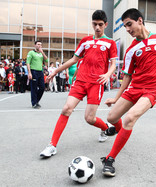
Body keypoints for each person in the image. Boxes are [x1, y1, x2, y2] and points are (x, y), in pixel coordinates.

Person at [100, 8, 156, 177]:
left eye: (129, 24)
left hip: (153, 88)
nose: (127, 29)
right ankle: (119, 132)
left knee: (130, 118)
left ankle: (110, 159)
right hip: (135, 87)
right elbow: (127, 76)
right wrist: (116, 98)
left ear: (140, 20)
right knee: (111, 118)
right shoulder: (132, 49)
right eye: (125, 26)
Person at [40, 10, 118, 158]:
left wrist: (108, 74)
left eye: (100, 25)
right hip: (80, 81)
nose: (97, 28)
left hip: (96, 82)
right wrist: (55, 71)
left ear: (106, 25)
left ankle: (105, 128)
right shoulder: (85, 41)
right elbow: (73, 60)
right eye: (95, 24)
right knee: (66, 109)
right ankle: (52, 145)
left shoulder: (110, 43)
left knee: (89, 119)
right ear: (92, 24)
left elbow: (113, 63)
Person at [26, 41, 48, 108]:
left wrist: (42, 52)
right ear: (35, 45)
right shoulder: (31, 53)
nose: (39, 45)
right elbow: (28, 63)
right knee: (34, 88)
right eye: (38, 44)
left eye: (41, 44)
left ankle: (36, 101)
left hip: (40, 72)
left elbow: (46, 60)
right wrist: (29, 73)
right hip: (33, 71)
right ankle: (34, 103)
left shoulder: (41, 53)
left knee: (42, 87)